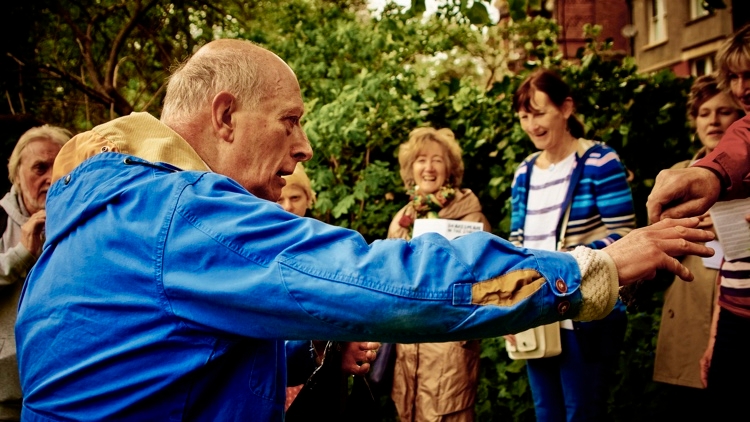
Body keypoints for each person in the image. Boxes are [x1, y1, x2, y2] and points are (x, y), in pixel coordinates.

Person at [15, 39, 714, 422]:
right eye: (290, 120)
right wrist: (591, 269)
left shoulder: (105, 210)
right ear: (224, 117)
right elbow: (387, 279)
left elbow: (161, 363)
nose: (306, 148)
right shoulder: (180, 213)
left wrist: (302, 351)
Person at [505, 69, 634, 421]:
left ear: (566, 108)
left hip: (585, 310)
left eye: (540, 112)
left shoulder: (599, 161)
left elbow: (624, 234)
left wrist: (563, 264)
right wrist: (510, 309)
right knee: (546, 412)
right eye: (524, 116)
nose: (532, 125)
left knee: (582, 412)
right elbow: (517, 244)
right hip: (536, 308)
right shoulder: (524, 172)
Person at [648, 24, 750, 419]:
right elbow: (733, 264)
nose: (742, 89)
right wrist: (715, 337)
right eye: (735, 77)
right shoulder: (723, 151)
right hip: (732, 319)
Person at [386, 127, 490, 421]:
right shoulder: (403, 219)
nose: (428, 168)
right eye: (420, 160)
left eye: (437, 160)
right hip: (408, 344)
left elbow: (483, 284)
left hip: (450, 343)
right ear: (410, 168)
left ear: (450, 170)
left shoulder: (471, 218)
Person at [278, 163, 380, 413]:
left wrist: (335, 348)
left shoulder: (323, 246)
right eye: (280, 199)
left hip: (311, 379)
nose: (288, 206)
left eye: (295, 197)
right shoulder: (252, 247)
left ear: (309, 199)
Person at [0, 125, 70, 421]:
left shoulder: (86, 220)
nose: (51, 177)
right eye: (40, 168)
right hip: (7, 394)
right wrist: (21, 256)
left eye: (61, 166)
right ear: (16, 175)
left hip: (66, 386)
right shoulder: (0, 220)